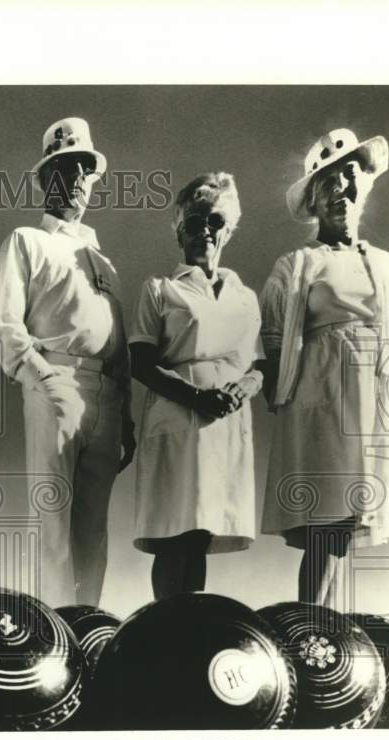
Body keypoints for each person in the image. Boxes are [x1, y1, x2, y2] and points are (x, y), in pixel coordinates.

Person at [0, 117, 135, 609]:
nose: (76, 178)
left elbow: (118, 341)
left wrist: (126, 411)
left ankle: (87, 627)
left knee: (93, 529)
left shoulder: (102, 259)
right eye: (65, 167)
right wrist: (43, 376)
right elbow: (6, 325)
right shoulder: (26, 240)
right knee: (52, 521)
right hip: (54, 381)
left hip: (106, 394)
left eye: (85, 169)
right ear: (45, 178)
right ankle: (53, 629)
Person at [260, 128, 389, 607]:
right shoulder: (298, 263)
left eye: (350, 174)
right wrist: (282, 390)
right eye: (328, 182)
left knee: (346, 525)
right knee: (329, 523)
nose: (341, 188)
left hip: (368, 403)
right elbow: (272, 334)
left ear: (365, 184)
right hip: (320, 398)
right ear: (315, 200)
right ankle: (309, 625)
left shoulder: (382, 263)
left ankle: (329, 626)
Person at [129, 173, 264, 598]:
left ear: (229, 230)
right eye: (193, 222)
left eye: (215, 220)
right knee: (175, 534)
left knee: (201, 534)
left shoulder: (245, 296)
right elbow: (141, 361)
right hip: (177, 419)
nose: (204, 229)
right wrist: (195, 397)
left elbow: (258, 364)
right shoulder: (160, 289)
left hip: (225, 425)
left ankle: (190, 627)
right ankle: (166, 626)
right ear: (179, 233)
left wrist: (245, 387)